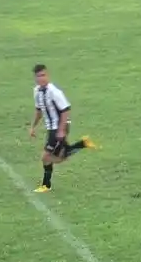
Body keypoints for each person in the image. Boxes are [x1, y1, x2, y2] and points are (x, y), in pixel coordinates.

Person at [29, 64, 97, 193]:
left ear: (47, 75)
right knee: (61, 156)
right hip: (52, 128)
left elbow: (65, 110)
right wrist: (32, 127)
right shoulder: (36, 91)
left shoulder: (54, 92)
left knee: (46, 157)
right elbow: (39, 111)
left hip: (59, 126)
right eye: (38, 76)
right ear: (35, 78)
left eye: (43, 75)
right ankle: (83, 143)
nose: (41, 78)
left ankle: (46, 185)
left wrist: (61, 130)